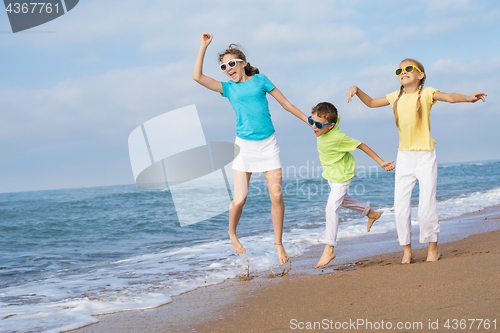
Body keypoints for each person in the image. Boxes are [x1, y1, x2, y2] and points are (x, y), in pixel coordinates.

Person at [347, 58, 487, 264]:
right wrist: (357, 89)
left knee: (426, 204)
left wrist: (468, 98)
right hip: (404, 156)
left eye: (408, 68)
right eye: (399, 70)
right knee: (401, 204)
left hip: (425, 155)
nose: (403, 72)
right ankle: (407, 251)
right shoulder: (396, 96)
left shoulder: (427, 93)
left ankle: (432, 249)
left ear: (420, 74)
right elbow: (370, 103)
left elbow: (448, 97)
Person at [193, 33, 308, 265]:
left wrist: (309, 121)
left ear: (243, 63)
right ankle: (232, 233)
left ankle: (278, 243)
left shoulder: (261, 80)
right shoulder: (227, 88)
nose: (228, 68)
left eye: (231, 63)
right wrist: (203, 46)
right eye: (224, 66)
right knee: (240, 199)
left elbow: (286, 105)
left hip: (268, 145)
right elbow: (197, 77)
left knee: (276, 196)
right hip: (244, 147)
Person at [310, 102, 394, 268]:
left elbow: (361, 145)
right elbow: (323, 116)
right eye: (311, 121)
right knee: (342, 200)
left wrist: (381, 162)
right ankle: (371, 213)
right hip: (331, 175)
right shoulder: (322, 124)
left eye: (318, 124)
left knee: (331, 206)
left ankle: (329, 247)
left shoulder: (338, 137)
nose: (313, 126)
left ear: (331, 126)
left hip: (342, 175)